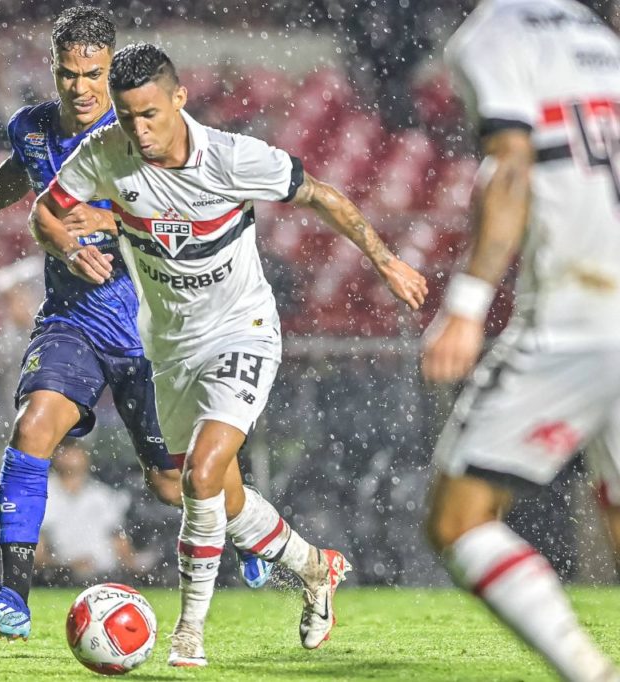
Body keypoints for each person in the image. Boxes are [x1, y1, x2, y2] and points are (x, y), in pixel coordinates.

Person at [29, 43, 427, 667]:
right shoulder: (106, 155)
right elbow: (44, 213)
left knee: (201, 474)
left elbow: (322, 195)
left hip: (242, 331)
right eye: (128, 116)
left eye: (151, 114)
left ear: (180, 99)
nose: (139, 129)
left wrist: (386, 260)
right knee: (213, 497)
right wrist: (69, 247)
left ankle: (190, 634)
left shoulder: (234, 158)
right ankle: (314, 567)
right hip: (169, 350)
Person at [0, 7, 267, 642]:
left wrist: (116, 225)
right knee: (32, 430)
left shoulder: (141, 132)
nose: (81, 88)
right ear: (53, 71)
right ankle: (14, 596)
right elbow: (22, 177)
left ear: (111, 70)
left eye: (93, 73)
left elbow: (198, 204)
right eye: (68, 74)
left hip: (152, 331)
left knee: (175, 485)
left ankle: (249, 530)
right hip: (74, 321)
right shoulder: (30, 129)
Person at [421, 1, 620, 679]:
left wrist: (468, 304)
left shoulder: (493, 34)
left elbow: (510, 164)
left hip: (577, 317)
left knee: (460, 519)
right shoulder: (598, 37)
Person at [36, 440, 142, 581]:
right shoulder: (41, 494)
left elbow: (119, 541)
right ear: (54, 456)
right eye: (66, 452)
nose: (71, 456)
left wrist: (135, 570)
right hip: (61, 576)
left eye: (76, 451)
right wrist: (66, 566)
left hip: (108, 575)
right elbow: (37, 551)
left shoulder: (102, 495)